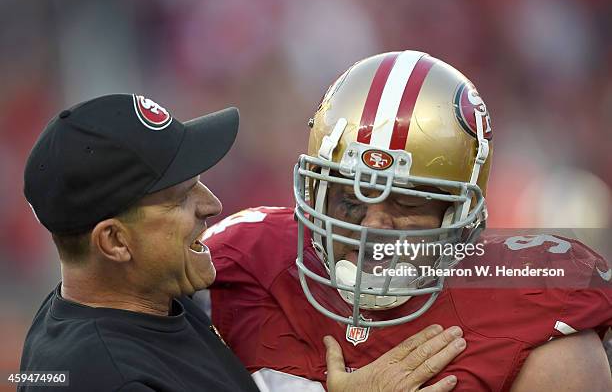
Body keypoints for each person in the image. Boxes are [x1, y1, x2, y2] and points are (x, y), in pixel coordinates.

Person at [202, 51, 612, 391]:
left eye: (407, 204)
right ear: (316, 195)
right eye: (350, 198)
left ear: (458, 212)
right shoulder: (238, 265)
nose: (374, 226)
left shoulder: (536, 311)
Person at [19, 93, 464, 392]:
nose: (212, 205)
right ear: (114, 241)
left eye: (200, 183)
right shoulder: (99, 376)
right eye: (180, 198)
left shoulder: (148, 300)